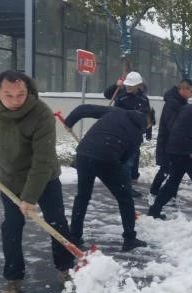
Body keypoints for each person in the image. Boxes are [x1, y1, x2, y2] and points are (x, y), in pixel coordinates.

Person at [0, 70, 74, 293]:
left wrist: (30, 198)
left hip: (44, 176)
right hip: (10, 176)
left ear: (28, 91)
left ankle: (65, 267)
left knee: (56, 221)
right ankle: (13, 277)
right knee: (11, 226)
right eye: (8, 95)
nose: (15, 100)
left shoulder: (41, 113)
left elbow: (42, 160)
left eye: (20, 94)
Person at [63, 104, 148, 251]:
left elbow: (84, 109)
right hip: (107, 159)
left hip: (84, 153)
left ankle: (75, 236)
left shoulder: (116, 111)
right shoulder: (138, 134)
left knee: (82, 197)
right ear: (147, 121)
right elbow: (125, 158)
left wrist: (69, 122)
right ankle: (129, 239)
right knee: (125, 198)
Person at [149, 79, 192, 205]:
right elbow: (173, 125)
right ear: (183, 89)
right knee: (165, 169)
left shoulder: (181, 103)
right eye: (191, 91)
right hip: (168, 142)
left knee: (175, 171)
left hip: (177, 143)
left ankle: (170, 196)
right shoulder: (172, 104)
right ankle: (153, 193)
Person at [103, 71, 151, 191]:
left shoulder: (144, 99)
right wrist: (115, 85)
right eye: (127, 84)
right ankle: (125, 183)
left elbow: (147, 115)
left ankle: (132, 177)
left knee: (134, 155)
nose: (128, 87)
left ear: (139, 85)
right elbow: (108, 95)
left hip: (136, 134)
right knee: (124, 158)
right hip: (121, 133)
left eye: (131, 85)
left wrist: (148, 130)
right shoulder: (121, 96)